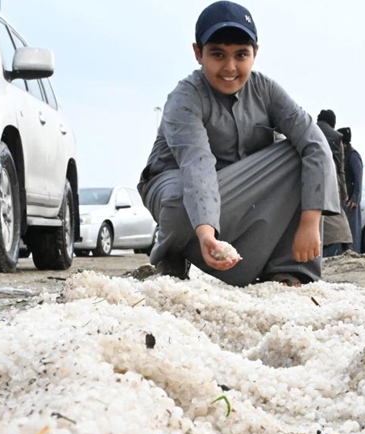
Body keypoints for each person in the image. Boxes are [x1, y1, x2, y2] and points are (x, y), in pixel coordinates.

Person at [136, 1, 341, 287]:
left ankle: (288, 269)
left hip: (237, 185)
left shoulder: (266, 90)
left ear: (255, 53)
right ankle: (171, 253)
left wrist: (310, 221)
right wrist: (207, 234)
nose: (230, 67)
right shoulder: (184, 98)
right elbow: (197, 163)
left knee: (298, 153)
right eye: (218, 54)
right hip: (175, 180)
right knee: (179, 202)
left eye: (241, 55)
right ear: (198, 53)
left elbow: (314, 142)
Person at [316, 109, 353, 257]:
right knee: (336, 218)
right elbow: (339, 169)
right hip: (330, 182)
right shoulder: (337, 137)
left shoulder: (309, 130)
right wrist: (344, 194)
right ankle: (340, 245)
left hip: (307, 180)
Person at [337, 127, 363, 253]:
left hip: (350, 200)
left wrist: (355, 198)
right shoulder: (344, 154)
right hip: (345, 198)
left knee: (351, 230)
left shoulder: (352, 155)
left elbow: (358, 178)